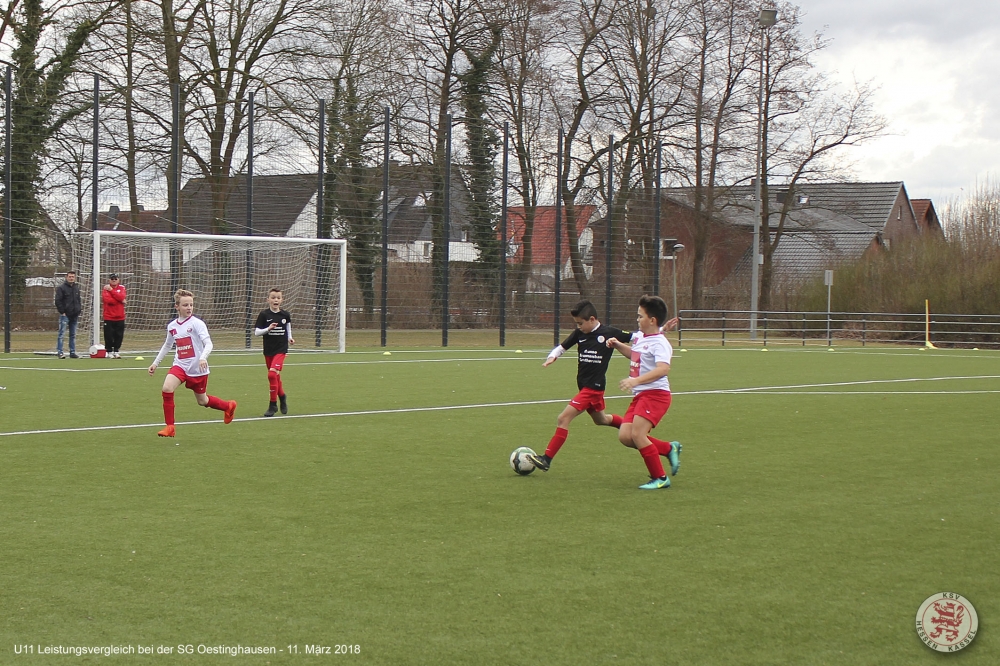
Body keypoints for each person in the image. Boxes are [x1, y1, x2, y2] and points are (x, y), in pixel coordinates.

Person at [527, 300, 630, 472]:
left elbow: (635, 337)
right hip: (585, 387)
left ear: (592, 319)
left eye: (580, 323)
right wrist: (552, 357)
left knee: (563, 418)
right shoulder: (579, 334)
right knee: (601, 420)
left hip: (592, 388)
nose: (578, 327)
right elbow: (562, 347)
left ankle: (546, 459)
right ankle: (630, 427)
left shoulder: (610, 333)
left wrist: (661, 330)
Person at [606, 295, 682, 490]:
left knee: (638, 435)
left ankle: (660, 478)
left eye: (640, 316)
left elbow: (663, 369)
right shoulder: (641, 337)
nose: (637, 319)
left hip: (656, 395)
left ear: (652, 320)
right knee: (626, 436)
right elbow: (635, 355)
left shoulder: (661, 343)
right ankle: (668, 448)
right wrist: (618, 345)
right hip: (641, 395)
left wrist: (636, 380)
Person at [148, 289, 237, 438]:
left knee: (203, 401)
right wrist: (155, 363)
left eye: (191, 304)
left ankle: (228, 406)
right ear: (177, 306)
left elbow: (208, 343)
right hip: (180, 366)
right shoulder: (172, 326)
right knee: (167, 388)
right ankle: (170, 427)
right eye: (185, 305)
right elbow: (167, 345)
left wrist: (203, 357)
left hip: (197, 370)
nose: (189, 308)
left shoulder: (197, 324)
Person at [253, 287, 294, 417]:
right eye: (273, 297)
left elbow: (288, 327)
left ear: (282, 300)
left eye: (278, 298)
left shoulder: (285, 315)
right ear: (268, 300)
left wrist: (290, 338)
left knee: (271, 374)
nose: (276, 300)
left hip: (281, 349)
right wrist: (268, 329)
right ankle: (282, 396)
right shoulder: (264, 315)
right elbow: (257, 332)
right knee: (275, 376)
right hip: (268, 350)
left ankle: (273, 405)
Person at [54, 270, 82, 359]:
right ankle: (60, 352)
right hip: (65, 315)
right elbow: (58, 301)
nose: (71, 278)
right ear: (66, 277)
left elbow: (78, 300)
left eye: (73, 277)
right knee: (62, 334)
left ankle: (72, 352)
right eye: (70, 277)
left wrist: (78, 310)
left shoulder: (76, 288)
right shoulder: (61, 288)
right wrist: (62, 312)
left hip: (74, 314)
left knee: (73, 335)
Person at [102, 273, 127, 358]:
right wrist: (120, 300)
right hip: (109, 316)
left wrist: (112, 291)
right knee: (108, 335)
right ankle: (109, 351)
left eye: (115, 279)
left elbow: (122, 296)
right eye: (112, 279)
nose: (114, 280)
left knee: (119, 335)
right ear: (109, 280)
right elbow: (108, 300)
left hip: (120, 316)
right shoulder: (106, 288)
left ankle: (116, 351)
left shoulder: (122, 288)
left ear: (118, 280)